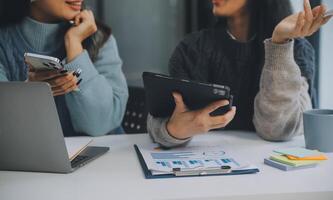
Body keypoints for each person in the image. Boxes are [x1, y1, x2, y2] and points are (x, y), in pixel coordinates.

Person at [148, 0, 332, 147]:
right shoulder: (192, 49)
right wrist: (173, 130)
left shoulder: (295, 49)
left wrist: (279, 44)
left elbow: (278, 129)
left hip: (273, 177)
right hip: (205, 170)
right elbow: (157, 121)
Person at [0, 0, 129, 136]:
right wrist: (29, 93)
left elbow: (101, 124)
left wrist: (73, 44)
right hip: (36, 156)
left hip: (111, 155)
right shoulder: (4, 44)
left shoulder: (99, 38)